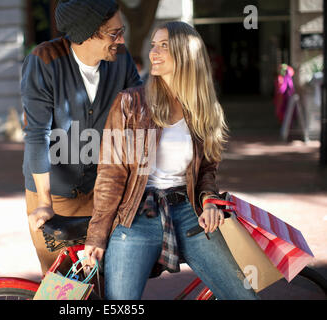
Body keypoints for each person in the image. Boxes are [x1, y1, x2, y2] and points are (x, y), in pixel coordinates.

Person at [83, 21, 260, 300]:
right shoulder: (131, 103)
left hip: (190, 214)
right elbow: (111, 174)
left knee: (244, 295)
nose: (154, 52)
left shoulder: (203, 107)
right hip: (137, 216)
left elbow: (207, 171)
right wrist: (96, 235)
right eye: (153, 45)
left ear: (186, 54)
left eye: (164, 46)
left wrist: (209, 202)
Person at [21, 0, 142, 275]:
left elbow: (142, 110)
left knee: (108, 275)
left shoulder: (120, 59)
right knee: (65, 282)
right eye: (114, 33)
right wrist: (44, 202)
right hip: (53, 191)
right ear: (88, 33)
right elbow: (38, 134)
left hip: (102, 188)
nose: (121, 39)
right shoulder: (44, 61)